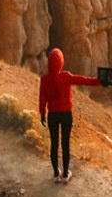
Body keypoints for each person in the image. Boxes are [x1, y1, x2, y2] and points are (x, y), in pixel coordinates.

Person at [38, 47, 100, 183]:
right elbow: (84, 80)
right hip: (66, 114)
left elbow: (42, 98)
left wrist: (42, 113)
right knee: (65, 144)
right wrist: (99, 81)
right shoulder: (66, 77)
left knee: (54, 144)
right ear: (61, 62)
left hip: (52, 115)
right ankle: (65, 174)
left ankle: (55, 174)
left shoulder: (45, 79)